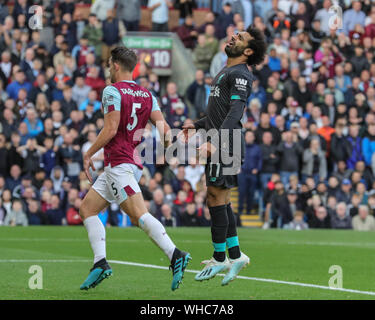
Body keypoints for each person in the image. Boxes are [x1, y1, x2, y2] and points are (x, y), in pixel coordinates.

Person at [79, 47, 191, 291]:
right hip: (126, 163)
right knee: (87, 209)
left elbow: (110, 129)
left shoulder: (111, 91)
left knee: (139, 215)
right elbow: (164, 130)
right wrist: (168, 147)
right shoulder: (147, 95)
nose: (108, 68)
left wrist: (89, 153)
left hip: (120, 164)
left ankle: (176, 255)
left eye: (110, 64)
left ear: (117, 66)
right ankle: (100, 263)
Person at [182, 27, 267, 285]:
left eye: (240, 38)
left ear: (248, 51)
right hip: (223, 141)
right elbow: (218, 114)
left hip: (226, 144)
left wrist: (215, 142)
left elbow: (235, 112)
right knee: (222, 198)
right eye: (235, 34)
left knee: (214, 197)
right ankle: (235, 254)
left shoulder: (241, 74)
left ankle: (219, 257)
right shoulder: (227, 71)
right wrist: (196, 125)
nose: (233, 37)